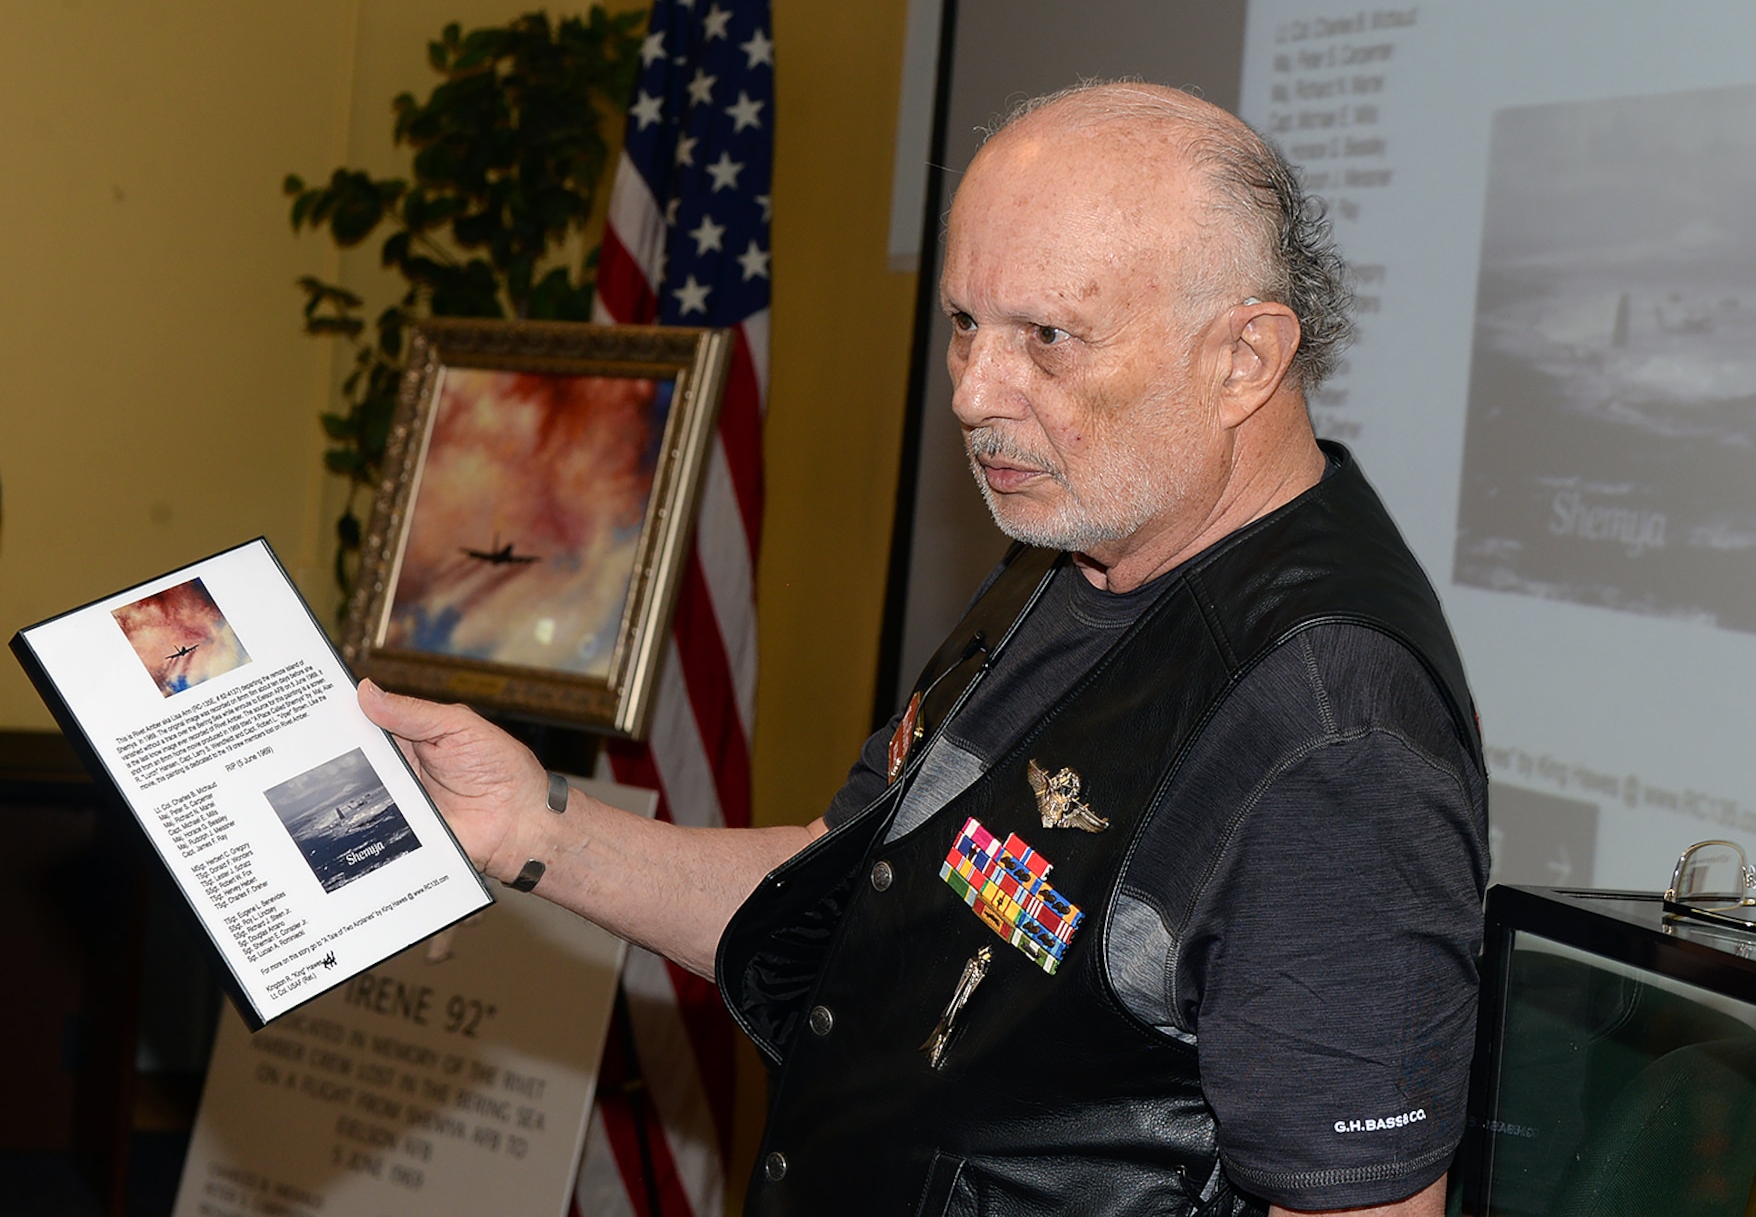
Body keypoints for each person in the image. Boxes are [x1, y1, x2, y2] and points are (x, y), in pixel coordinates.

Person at [360, 82, 1488, 1216]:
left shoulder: (1334, 743)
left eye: (1048, 336)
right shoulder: (1078, 539)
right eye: (964, 325)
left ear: (1244, 356)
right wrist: (527, 823)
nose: (974, 393)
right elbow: (841, 889)